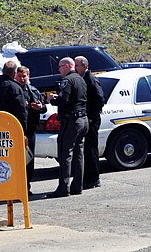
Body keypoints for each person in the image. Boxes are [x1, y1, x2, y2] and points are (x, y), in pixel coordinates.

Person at [47, 57, 88, 198]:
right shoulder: (81, 79)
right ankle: (78, 186)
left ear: (65, 66)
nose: (59, 70)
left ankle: (63, 188)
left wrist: (52, 99)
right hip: (83, 119)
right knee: (78, 153)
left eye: (59, 67)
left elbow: (64, 100)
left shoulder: (67, 80)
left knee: (65, 153)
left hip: (72, 121)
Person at [15, 66, 47, 196]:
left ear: (28, 76)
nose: (22, 79)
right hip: (16, 130)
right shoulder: (13, 90)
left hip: (30, 130)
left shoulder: (33, 91)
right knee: (16, 161)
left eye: (24, 76)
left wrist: (40, 107)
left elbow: (44, 107)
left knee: (29, 160)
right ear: (15, 76)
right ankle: (16, 188)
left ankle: (26, 188)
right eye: (20, 76)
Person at [75, 56, 105, 190]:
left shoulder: (91, 80)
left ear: (84, 66)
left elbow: (99, 100)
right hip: (86, 118)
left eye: (77, 66)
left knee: (91, 149)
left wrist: (91, 117)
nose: (75, 68)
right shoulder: (81, 79)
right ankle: (87, 177)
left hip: (92, 120)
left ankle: (93, 179)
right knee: (85, 149)